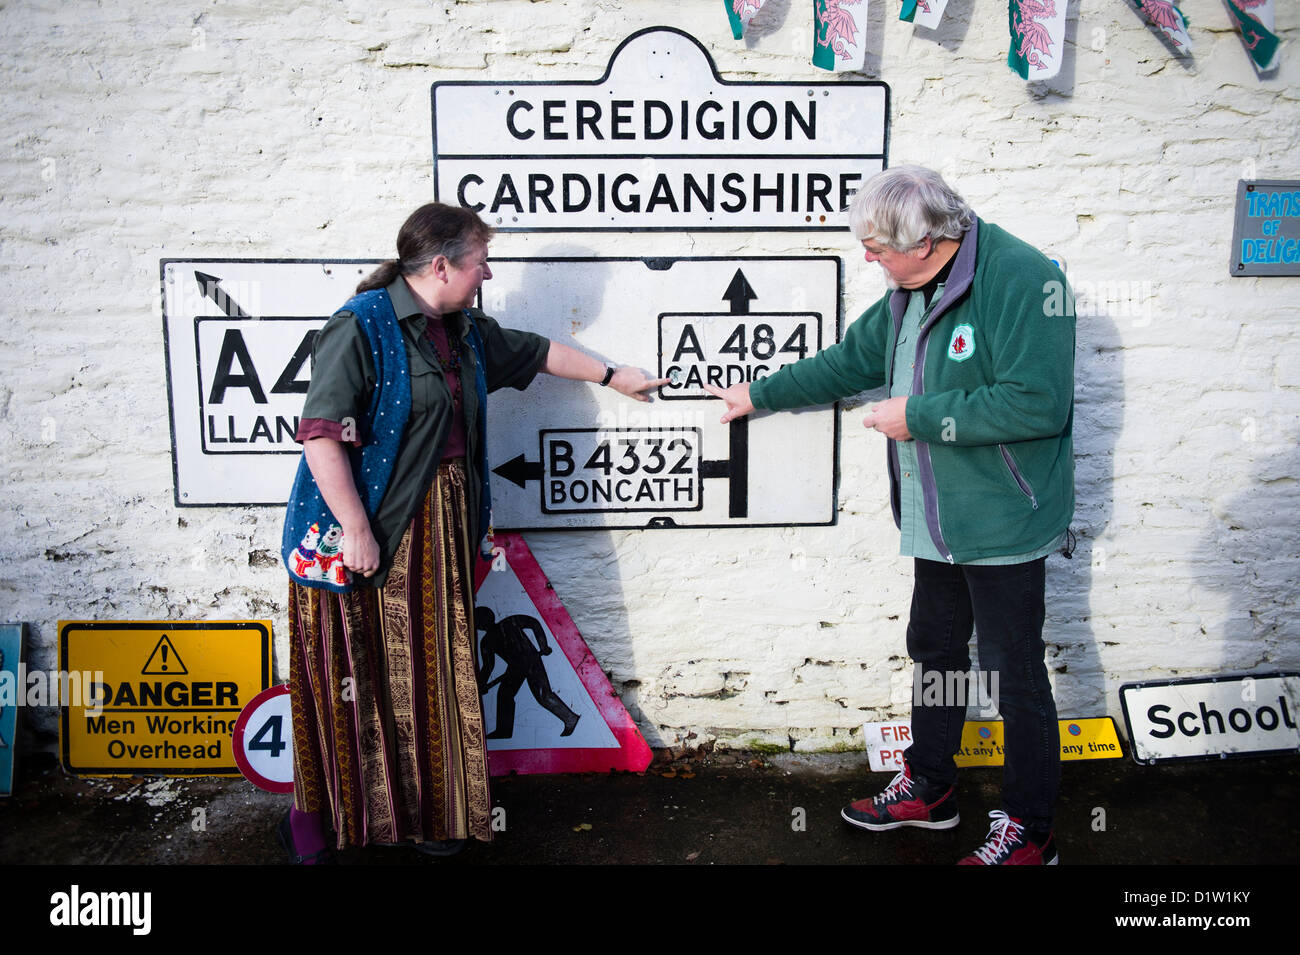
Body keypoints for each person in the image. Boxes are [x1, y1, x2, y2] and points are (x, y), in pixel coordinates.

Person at [705, 165, 1075, 865]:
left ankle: (1032, 830)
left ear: (931, 239)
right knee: (936, 651)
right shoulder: (908, 286)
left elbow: (1037, 403)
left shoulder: (1024, 279)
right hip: (936, 518)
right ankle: (932, 788)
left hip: (1004, 522)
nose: (868, 259)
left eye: (877, 247)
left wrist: (919, 415)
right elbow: (852, 360)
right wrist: (759, 393)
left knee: (1013, 670)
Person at [279, 202, 665, 862]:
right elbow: (322, 437)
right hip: (367, 531)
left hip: (441, 529)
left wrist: (615, 376)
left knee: (434, 675)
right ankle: (331, 820)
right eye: (480, 260)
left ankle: (430, 815)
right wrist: (356, 528)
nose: (487, 272)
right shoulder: (360, 327)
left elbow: (537, 352)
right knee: (357, 673)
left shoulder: (461, 329)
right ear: (440, 265)